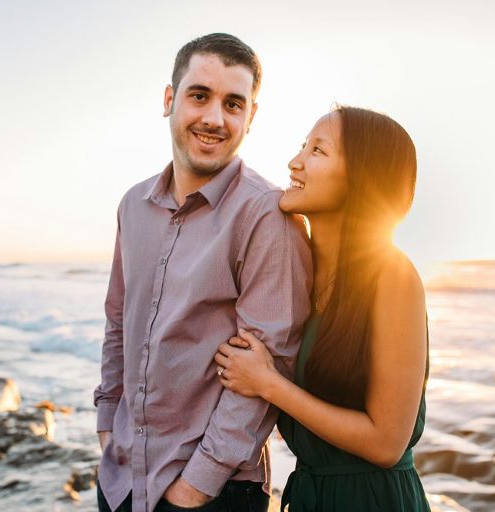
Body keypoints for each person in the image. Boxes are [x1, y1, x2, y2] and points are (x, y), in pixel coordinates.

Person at [94, 33, 312, 512]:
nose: (214, 118)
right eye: (199, 96)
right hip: (121, 479)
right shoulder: (133, 205)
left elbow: (272, 360)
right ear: (170, 100)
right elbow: (119, 322)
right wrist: (108, 424)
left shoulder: (266, 215)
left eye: (233, 104)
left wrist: (195, 488)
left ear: (250, 117)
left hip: (213, 495)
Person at [214, 106, 430, 511]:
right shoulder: (296, 271)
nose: (294, 162)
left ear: (361, 176)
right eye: (302, 147)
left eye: (317, 150)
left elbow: (386, 443)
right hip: (311, 496)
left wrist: (268, 383)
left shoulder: (392, 275)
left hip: (372, 501)